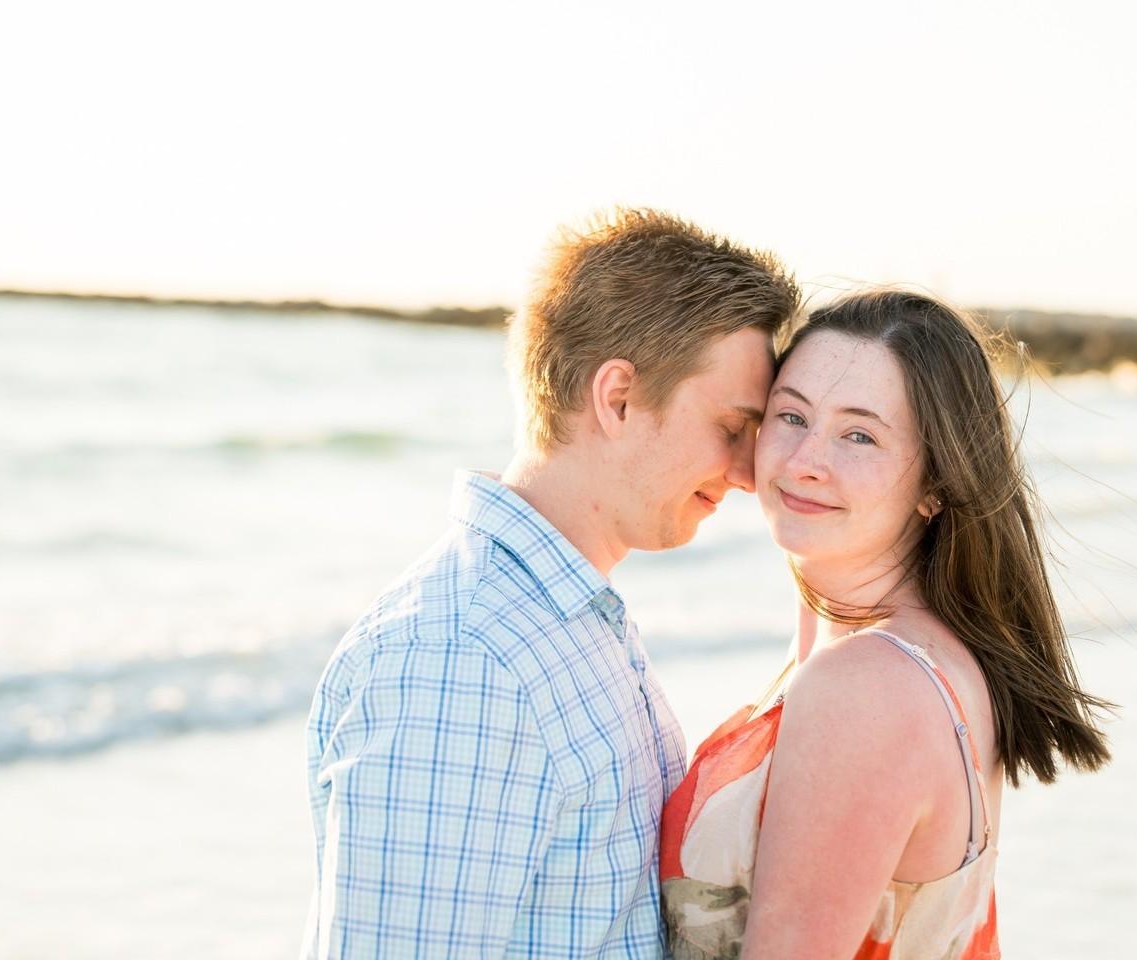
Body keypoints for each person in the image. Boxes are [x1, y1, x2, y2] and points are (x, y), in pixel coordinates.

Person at [301, 209, 800, 959]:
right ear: (617, 398)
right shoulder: (463, 659)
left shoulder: (564, 618)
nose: (742, 470)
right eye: (733, 426)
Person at [659, 289, 1112, 959]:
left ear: (936, 483)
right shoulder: (907, 656)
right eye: (790, 416)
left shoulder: (865, 687)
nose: (805, 459)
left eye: (859, 434)